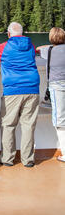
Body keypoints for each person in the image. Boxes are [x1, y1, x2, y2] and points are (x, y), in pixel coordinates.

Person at [0, 22, 40, 167]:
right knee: (28, 125)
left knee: (8, 124)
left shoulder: (4, 46)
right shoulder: (30, 45)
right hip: (32, 88)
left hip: (13, 90)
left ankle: (7, 158)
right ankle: (28, 160)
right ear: (22, 33)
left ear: (9, 34)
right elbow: (34, 52)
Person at [36, 27, 65, 162]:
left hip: (57, 87)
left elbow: (37, 48)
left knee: (60, 120)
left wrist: (52, 44)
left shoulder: (48, 51)